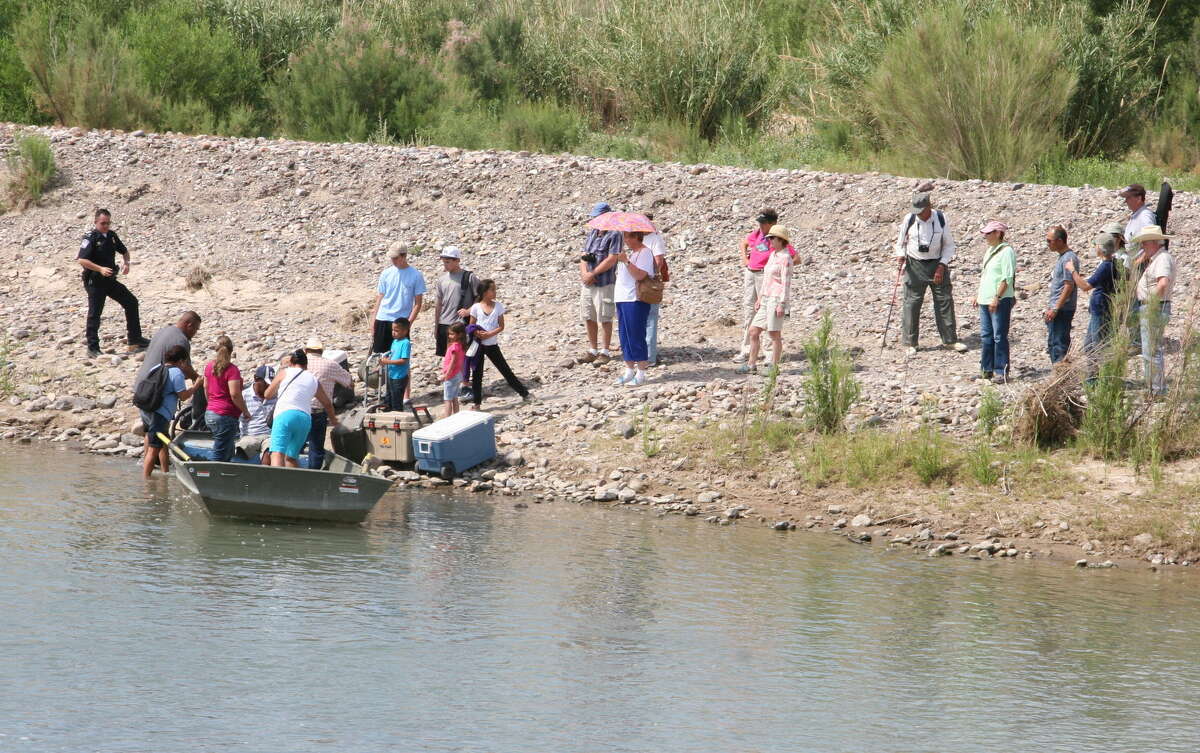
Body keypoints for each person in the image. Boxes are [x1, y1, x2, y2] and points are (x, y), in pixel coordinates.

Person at [893, 193, 967, 355]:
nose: (918, 213)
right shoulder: (909, 219)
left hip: (937, 263)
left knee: (944, 301)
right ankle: (910, 343)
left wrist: (942, 265)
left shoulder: (940, 218)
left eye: (921, 210)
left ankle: (950, 341)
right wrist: (900, 256)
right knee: (911, 303)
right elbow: (900, 244)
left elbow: (949, 245)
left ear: (929, 206)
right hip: (914, 264)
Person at [77, 209, 149, 358]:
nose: (106, 226)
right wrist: (100, 268)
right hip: (95, 281)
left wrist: (126, 263)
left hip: (109, 280)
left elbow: (124, 251)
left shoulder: (111, 236)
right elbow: (82, 259)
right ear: (96, 222)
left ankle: (135, 339)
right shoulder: (90, 238)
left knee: (131, 302)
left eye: (108, 223)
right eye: (103, 223)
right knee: (95, 313)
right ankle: (92, 347)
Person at [735, 209, 797, 363]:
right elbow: (744, 243)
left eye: (764, 223)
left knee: (771, 319)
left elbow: (794, 258)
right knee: (750, 311)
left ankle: (769, 354)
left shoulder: (779, 240)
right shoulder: (758, 234)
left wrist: (778, 268)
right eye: (760, 223)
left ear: (772, 223)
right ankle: (747, 350)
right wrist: (745, 259)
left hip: (766, 276)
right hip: (752, 272)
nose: (761, 226)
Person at [594, 232, 655, 386]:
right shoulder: (632, 254)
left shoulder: (645, 253)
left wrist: (626, 261)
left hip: (635, 299)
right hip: (622, 298)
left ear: (637, 237)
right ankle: (629, 369)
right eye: (625, 237)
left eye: (628, 237)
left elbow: (641, 275)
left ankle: (641, 372)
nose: (626, 241)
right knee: (625, 336)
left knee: (636, 335)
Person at [264, 350, 337, 468]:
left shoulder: (284, 372)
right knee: (291, 457)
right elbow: (327, 403)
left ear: (291, 363)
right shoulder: (313, 379)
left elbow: (267, 395)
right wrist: (334, 420)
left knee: (277, 454)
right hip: (305, 419)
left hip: (285, 415)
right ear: (306, 365)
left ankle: (277, 483)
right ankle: (296, 485)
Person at [468, 279, 532, 405]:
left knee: (505, 370)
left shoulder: (498, 306)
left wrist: (489, 334)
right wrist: (478, 334)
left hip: (492, 344)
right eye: (492, 290)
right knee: (477, 374)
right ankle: (477, 404)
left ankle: (525, 394)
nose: (495, 292)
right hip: (479, 345)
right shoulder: (476, 307)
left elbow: (501, 326)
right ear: (485, 292)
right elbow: (471, 326)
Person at [1130, 226, 1176, 395]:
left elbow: (1163, 284)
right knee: (1150, 350)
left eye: (1144, 244)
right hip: (1154, 306)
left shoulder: (1162, 259)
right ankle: (1155, 388)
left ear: (1153, 243)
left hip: (1154, 307)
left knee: (1152, 351)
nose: (1142, 247)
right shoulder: (1157, 258)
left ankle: (1157, 391)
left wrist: (1149, 301)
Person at [1064, 234, 1124, 362]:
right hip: (1103, 308)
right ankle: (1093, 377)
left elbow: (1085, 286)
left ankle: (1096, 377)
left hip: (1101, 310)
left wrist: (1072, 271)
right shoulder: (1115, 263)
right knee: (1090, 346)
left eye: (1096, 245)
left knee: (1097, 347)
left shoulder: (1106, 266)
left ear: (1102, 249)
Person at [139, 344, 195, 479]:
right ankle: (146, 481)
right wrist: (196, 385)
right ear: (181, 361)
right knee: (153, 449)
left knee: (163, 442)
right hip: (160, 414)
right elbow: (183, 396)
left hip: (147, 410)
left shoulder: (156, 368)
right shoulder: (176, 373)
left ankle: (165, 473)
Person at [579, 201, 622, 363]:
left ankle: (605, 350)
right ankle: (592, 349)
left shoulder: (615, 234)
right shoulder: (593, 233)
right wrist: (585, 273)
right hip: (589, 282)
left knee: (605, 317)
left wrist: (593, 273)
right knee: (588, 315)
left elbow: (612, 258)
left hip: (605, 282)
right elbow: (584, 255)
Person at [302, 336, 353, 469]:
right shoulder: (330, 364)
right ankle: (313, 478)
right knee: (316, 448)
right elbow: (349, 382)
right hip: (318, 411)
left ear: (305, 350)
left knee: (295, 446)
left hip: (298, 409)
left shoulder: (298, 364)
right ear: (322, 351)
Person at [975, 221, 1016, 382]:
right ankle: (987, 369)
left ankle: (1001, 370)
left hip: (999, 300)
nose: (985, 236)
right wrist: (978, 296)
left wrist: (997, 297)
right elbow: (986, 276)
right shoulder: (990, 251)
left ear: (998, 233)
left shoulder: (1006, 252)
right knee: (986, 336)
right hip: (985, 299)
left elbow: (1007, 277)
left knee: (999, 335)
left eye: (988, 233)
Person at [202, 336, 251, 462]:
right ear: (231, 351)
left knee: (227, 448)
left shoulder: (209, 367)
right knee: (220, 452)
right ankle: (213, 477)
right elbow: (234, 394)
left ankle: (226, 474)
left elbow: (206, 388)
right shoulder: (232, 370)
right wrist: (245, 411)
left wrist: (210, 405)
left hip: (211, 413)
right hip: (225, 415)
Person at [371, 243, 426, 354]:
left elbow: (418, 303)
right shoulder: (386, 273)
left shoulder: (416, 275)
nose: (393, 261)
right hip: (382, 318)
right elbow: (380, 297)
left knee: (400, 356)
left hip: (401, 321)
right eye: (392, 258)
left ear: (404, 256)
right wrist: (373, 320)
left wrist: (408, 324)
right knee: (379, 357)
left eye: (396, 258)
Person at [1044, 225, 1080, 364]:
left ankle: (1062, 376)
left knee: (1059, 344)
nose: (1047, 244)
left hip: (1063, 309)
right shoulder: (1063, 257)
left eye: (1049, 241)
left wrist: (1055, 308)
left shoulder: (1068, 259)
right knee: (1054, 343)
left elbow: (1068, 285)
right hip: (1058, 307)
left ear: (1059, 241)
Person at [135, 311, 202, 382]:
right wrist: (200, 380)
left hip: (140, 385)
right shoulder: (181, 340)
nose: (195, 333)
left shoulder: (163, 331)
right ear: (189, 325)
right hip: (154, 389)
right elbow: (185, 369)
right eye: (196, 329)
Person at [643, 212, 669, 366]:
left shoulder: (654, 238)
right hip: (639, 281)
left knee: (650, 318)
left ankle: (650, 356)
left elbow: (658, 262)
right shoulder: (635, 238)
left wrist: (645, 274)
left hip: (649, 282)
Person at [239, 365, 276, 460]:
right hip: (249, 435)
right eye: (266, 383)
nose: (268, 386)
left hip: (268, 436)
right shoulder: (244, 395)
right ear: (256, 379)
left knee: (270, 450)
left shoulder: (276, 396)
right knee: (240, 450)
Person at [1119, 184, 1157, 267]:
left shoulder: (1145, 216)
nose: (1125, 201)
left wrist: (1136, 264)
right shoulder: (1137, 214)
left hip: (1141, 265)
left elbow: (1152, 242)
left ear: (1139, 198)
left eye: (1128, 198)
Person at [379, 319, 411, 411]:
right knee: (389, 397)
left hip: (400, 377)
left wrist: (387, 362)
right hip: (391, 374)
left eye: (396, 331)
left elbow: (403, 360)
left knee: (397, 400)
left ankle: (397, 416)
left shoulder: (405, 343)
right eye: (393, 330)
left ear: (405, 331)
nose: (393, 333)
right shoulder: (395, 342)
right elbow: (392, 356)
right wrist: (383, 362)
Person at [441, 322, 466, 417]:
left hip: (451, 375)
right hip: (458, 374)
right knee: (454, 397)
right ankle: (457, 416)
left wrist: (447, 374)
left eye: (452, 334)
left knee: (447, 399)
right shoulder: (461, 346)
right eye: (449, 334)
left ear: (459, 334)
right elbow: (461, 362)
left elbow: (453, 362)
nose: (450, 336)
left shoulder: (454, 347)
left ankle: (447, 419)